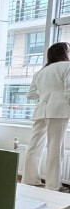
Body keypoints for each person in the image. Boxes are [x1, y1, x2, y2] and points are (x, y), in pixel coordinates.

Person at [23, 41, 70, 190]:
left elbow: (30, 95)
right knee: (55, 147)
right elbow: (69, 91)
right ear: (63, 53)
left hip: (41, 110)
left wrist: (45, 93)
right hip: (58, 110)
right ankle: (53, 185)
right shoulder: (67, 66)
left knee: (34, 146)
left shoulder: (40, 72)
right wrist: (55, 94)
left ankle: (29, 180)